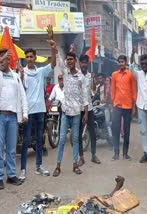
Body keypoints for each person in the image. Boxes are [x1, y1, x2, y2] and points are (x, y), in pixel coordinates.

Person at [19, 28, 57, 181]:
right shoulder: (22, 72)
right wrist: (21, 77)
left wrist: (53, 47)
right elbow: (20, 91)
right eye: (27, 56)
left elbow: (53, 64)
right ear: (25, 58)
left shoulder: (41, 72)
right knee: (26, 140)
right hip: (29, 111)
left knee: (40, 139)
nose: (29, 59)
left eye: (31, 56)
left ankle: (39, 166)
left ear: (35, 58)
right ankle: (22, 170)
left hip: (41, 110)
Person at [0, 49, 28, 190]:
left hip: (12, 118)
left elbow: (22, 95)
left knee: (11, 149)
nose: (3, 61)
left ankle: (11, 176)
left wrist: (25, 113)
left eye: (5, 59)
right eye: (0, 59)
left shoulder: (16, 77)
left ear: (9, 61)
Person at [52, 45, 88, 177]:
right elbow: (58, 59)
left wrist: (86, 113)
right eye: (68, 59)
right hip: (65, 112)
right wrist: (55, 47)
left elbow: (84, 95)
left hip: (77, 113)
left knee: (75, 139)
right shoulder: (65, 72)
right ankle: (58, 166)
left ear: (75, 60)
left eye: (71, 59)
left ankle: (75, 165)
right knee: (61, 140)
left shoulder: (81, 77)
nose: (69, 61)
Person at [111, 55, 137, 161]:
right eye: (119, 62)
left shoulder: (130, 75)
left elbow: (134, 91)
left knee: (127, 130)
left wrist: (134, 106)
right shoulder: (114, 75)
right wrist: (113, 103)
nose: (121, 63)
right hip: (117, 106)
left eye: (122, 62)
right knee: (115, 129)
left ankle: (125, 153)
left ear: (126, 63)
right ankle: (116, 153)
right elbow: (113, 90)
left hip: (128, 106)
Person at [77, 55, 101, 166]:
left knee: (92, 133)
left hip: (89, 108)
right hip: (79, 109)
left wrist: (94, 81)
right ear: (80, 63)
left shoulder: (90, 76)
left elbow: (93, 91)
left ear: (88, 64)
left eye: (86, 62)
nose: (84, 64)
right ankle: (81, 157)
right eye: (82, 62)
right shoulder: (76, 75)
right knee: (78, 134)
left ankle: (94, 155)